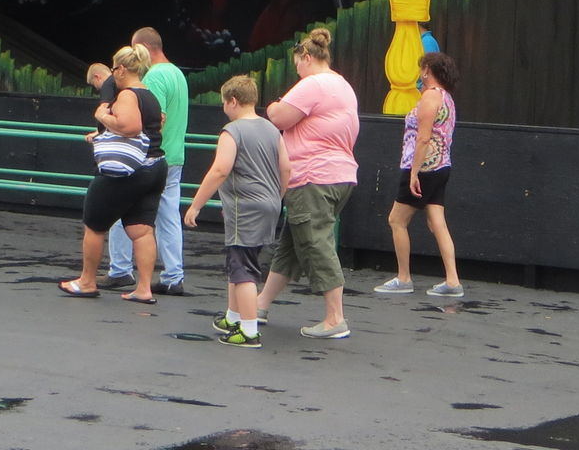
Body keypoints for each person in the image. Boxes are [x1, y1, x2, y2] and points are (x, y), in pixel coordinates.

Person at [261, 26, 360, 340]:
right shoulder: (342, 85)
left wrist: (274, 105)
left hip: (313, 177)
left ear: (306, 57)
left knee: (316, 243)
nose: (297, 71)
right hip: (339, 176)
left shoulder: (313, 84)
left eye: (297, 64)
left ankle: (335, 318)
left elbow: (278, 117)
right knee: (292, 246)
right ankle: (260, 306)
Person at [184, 74, 289, 349]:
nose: (223, 108)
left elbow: (220, 169)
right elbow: (286, 168)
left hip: (247, 206)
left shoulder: (232, 131)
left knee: (243, 268)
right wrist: (276, 198)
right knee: (239, 260)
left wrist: (196, 204)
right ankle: (233, 318)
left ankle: (249, 331)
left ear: (232, 101)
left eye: (223, 103)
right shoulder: (271, 129)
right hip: (268, 204)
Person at [60, 43, 167, 303]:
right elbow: (156, 126)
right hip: (155, 166)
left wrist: (103, 116)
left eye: (113, 68)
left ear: (120, 70)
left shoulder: (128, 95)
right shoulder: (150, 95)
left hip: (128, 170)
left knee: (94, 224)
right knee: (141, 230)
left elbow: (129, 127)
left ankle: (87, 281)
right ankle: (144, 288)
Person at [103, 27, 188, 294]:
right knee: (169, 217)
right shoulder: (177, 73)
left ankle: (120, 269)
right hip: (174, 156)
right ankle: (173, 276)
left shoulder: (154, 77)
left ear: (146, 49)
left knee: (121, 210)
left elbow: (154, 119)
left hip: (148, 156)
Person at [374, 51, 463, 298]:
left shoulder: (430, 96)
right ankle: (453, 281)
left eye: (421, 68)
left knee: (396, 220)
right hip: (441, 165)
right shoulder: (447, 98)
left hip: (423, 168)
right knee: (437, 222)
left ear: (427, 70)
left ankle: (403, 278)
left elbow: (423, 137)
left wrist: (413, 172)